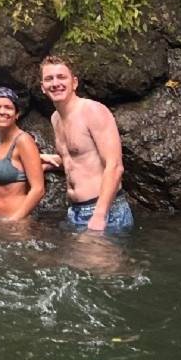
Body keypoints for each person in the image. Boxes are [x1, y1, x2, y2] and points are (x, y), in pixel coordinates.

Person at [39, 55, 133, 232]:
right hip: (75, 211)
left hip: (104, 210)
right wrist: (47, 160)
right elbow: (77, 159)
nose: (55, 83)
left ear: (74, 83)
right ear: (43, 87)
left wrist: (99, 215)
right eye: (49, 79)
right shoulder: (55, 118)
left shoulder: (92, 111)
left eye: (61, 77)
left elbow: (115, 166)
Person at [0, 87, 45, 221]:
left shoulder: (23, 140)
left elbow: (38, 189)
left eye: (8, 107)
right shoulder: (1, 141)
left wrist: (14, 220)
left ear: (17, 114)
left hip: (14, 222)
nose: (2, 111)